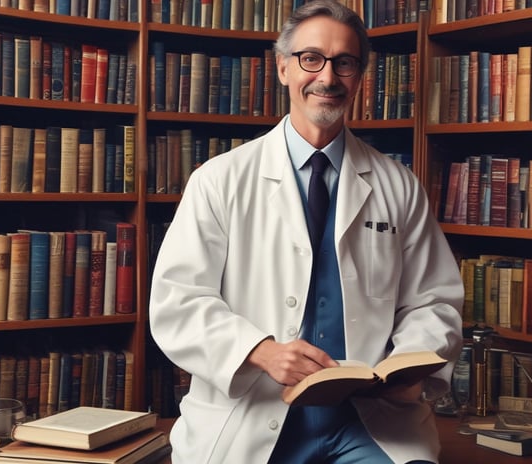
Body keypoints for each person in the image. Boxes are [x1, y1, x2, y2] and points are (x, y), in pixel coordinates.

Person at [149, 1, 464, 462]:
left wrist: (410, 365)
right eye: (311, 58)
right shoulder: (219, 180)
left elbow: (433, 300)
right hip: (252, 418)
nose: (328, 77)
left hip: (369, 423)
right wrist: (260, 351)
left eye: (345, 62)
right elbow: (177, 301)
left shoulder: (398, 185)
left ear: (360, 75)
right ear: (282, 68)